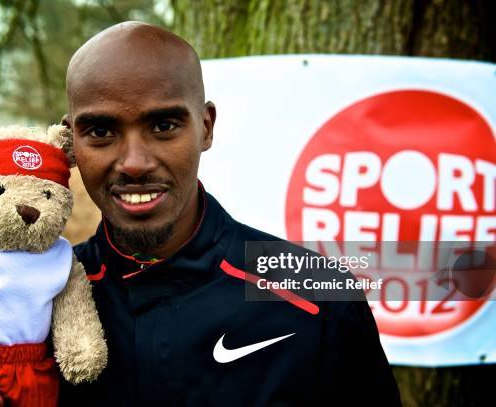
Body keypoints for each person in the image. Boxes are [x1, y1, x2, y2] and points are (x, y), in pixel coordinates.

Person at [58, 21, 401, 406]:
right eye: (102, 131)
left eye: (164, 125)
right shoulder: (42, 297)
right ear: (70, 142)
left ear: (206, 127)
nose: (134, 163)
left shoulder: (319, 296)